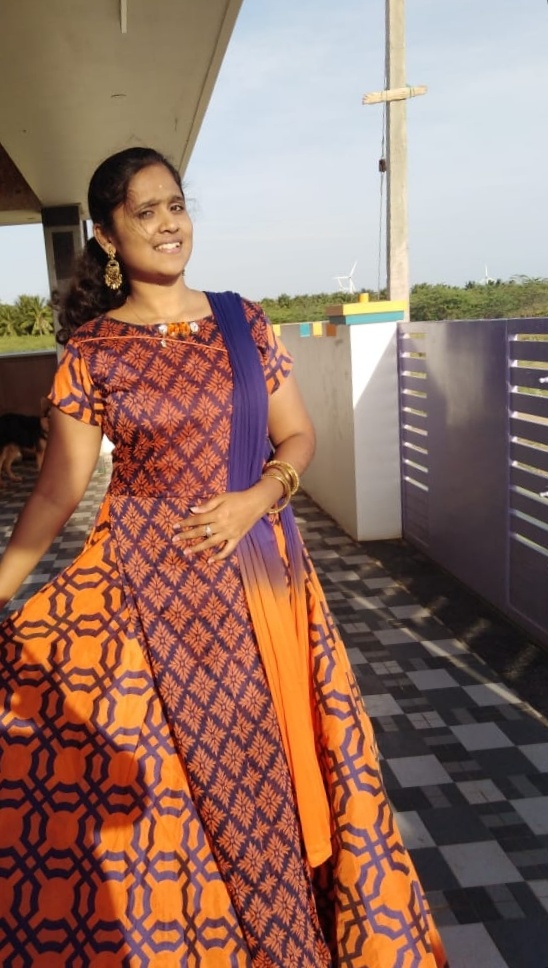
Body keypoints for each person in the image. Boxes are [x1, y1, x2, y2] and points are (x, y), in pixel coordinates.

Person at [0, 146, 448, 967]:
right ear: (107, 237)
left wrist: (260, 495)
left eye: (176, 205)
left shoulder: (245, 322)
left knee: (275, 772)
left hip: (258, 588)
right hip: (148, 597)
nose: (169, 224)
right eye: (146, 212)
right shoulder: (92, 352)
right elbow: (58, 493)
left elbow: (297, 435)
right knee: (175, 790)